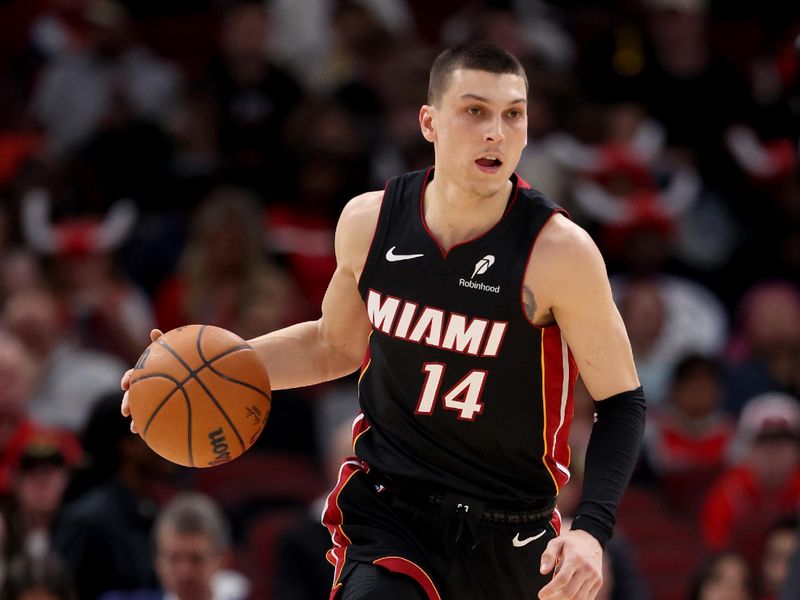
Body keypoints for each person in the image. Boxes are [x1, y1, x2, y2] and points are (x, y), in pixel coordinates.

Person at [122, 41, 646, 600]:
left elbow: (621, 401)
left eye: (512, 114)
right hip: (392, 508)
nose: (496, 131)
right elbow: (333, 344)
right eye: (475, 111)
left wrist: (591, 531)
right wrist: (205, 369)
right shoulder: (370, 221)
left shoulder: (558, 252)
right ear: (429, 122)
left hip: (510, 526)